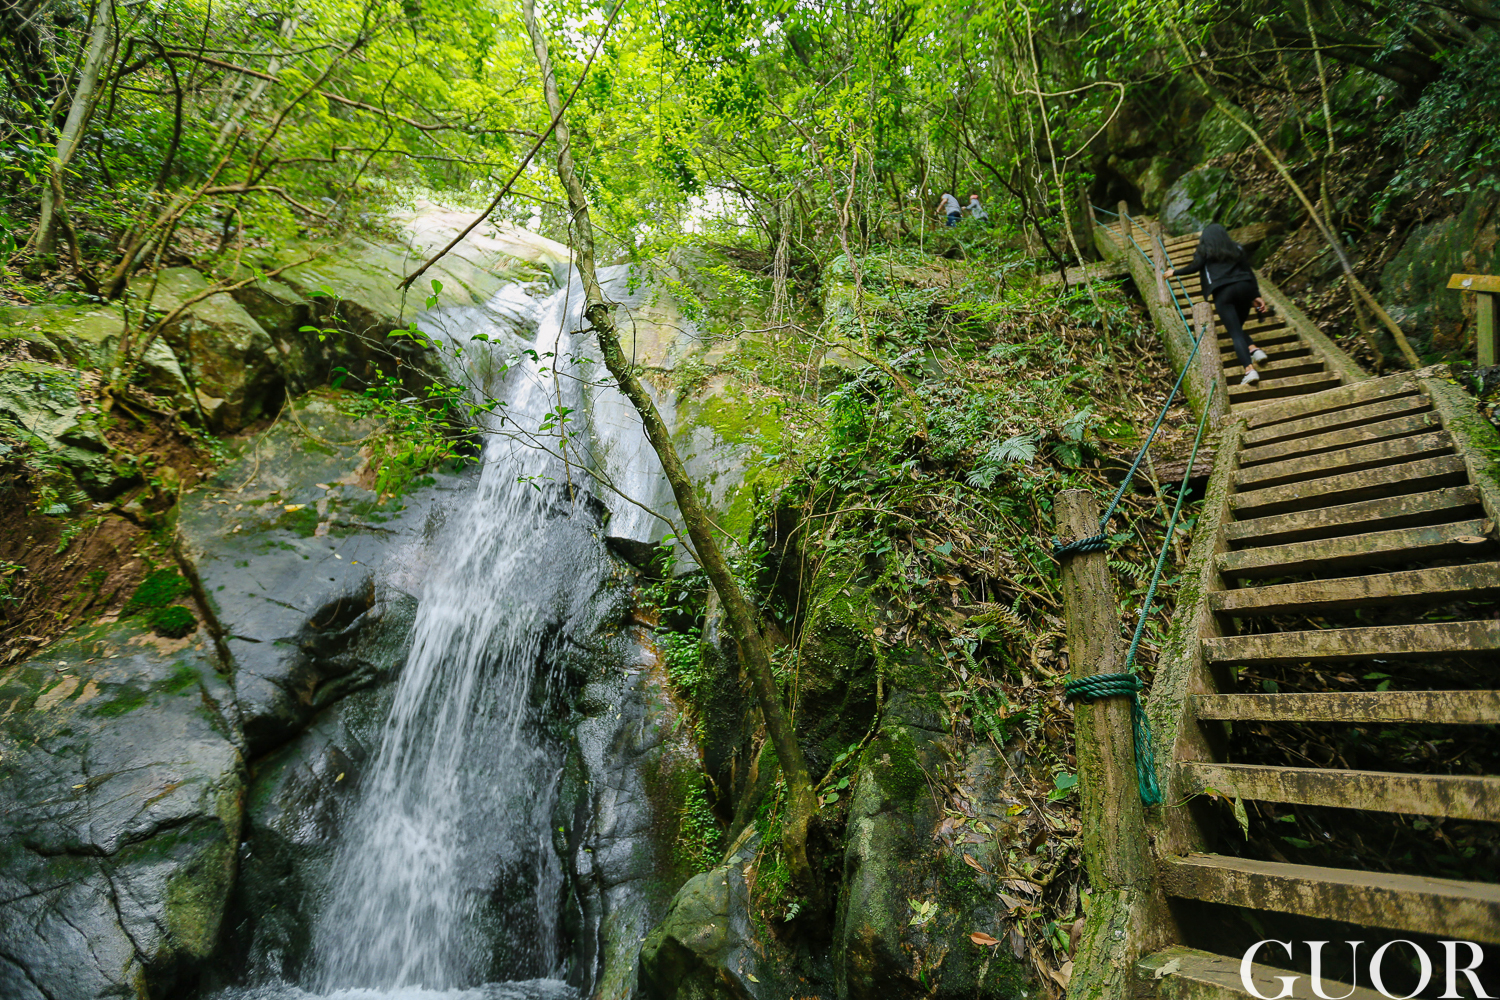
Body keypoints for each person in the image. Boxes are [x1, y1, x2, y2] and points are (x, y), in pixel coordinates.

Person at [1165, 222, 1270, 386]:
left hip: (1223, 292)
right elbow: (1248, 271)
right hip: (1245, 287)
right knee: (1237, 327)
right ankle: (1254, 349)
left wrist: (1174, 272)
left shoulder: (1205, 250)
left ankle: (1249, 370)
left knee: (1235, 332)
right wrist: (1256, 295)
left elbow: (1195, 266)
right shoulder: (1236, 248)